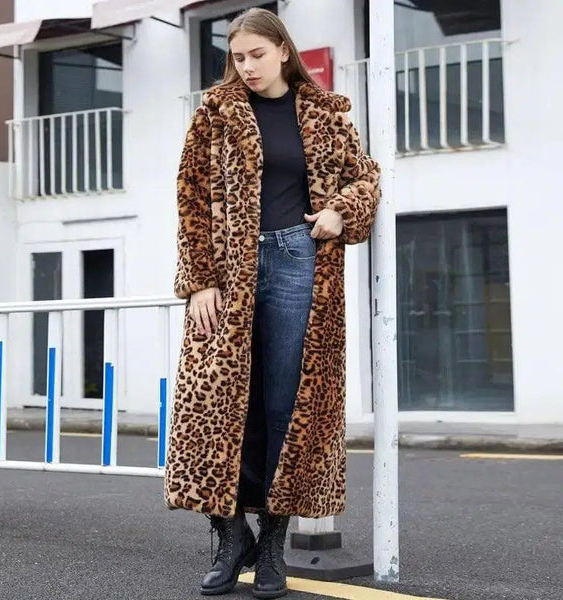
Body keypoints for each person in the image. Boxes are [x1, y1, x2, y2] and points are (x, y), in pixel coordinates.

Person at [164, 7, 380, 599]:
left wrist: (340, 211)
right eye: (237, 57)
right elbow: (190, 199)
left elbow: (366, 180)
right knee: (216, 404)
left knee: (288, 401)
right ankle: (231, 535)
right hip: (226, 271)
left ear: (284, 50)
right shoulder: (215, 114)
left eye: (256, 55)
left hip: (296, 259)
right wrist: (198, 280)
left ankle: (273, 546)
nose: (246, 67)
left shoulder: (326, 114)